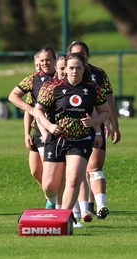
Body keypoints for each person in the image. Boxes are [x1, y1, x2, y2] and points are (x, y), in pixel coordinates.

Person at [34, 53, 110, 226]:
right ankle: (52, 202)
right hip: (56, 140)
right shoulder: (52, 87)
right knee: (49, 185)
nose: (75, 71)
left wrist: (94, 122)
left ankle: (64, 218)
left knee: (74, 178)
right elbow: (37, 110)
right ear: (65, 70)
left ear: (84, 70)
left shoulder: (93, 88)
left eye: (78, 68)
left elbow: (105, 111)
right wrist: (50, 126)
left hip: (81, 140)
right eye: (71, 68)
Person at [67, 41, 121, 219]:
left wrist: (114, 125)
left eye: (82, 53)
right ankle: (83, 207)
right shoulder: (63, 77)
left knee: (94, 166)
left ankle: (99, 206)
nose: (79, 56)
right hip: (70, 131)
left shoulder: (98, 75)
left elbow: (109, 102)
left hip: (98, 126)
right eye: (75, 53)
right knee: (78, 171)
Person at [8, 46, 57, 197]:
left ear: (55, 60)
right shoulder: (34, 78)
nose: (44, 63)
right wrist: (26, 131)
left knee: (50, 173)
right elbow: (13, 96)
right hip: (38, 130)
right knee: (35, 171)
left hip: (53, 131)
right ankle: (52, 197)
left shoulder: (61, 76)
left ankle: (57, 202)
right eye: (42, 60)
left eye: (48, 59)